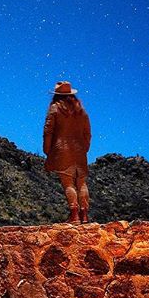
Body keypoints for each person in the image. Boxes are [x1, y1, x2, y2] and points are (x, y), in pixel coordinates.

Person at [43, 81, 92, 224]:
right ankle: (84, 215)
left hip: (62, 151)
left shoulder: (55, 109)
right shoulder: (81, 111)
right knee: (81, 182)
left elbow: (48, 131)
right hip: (79, 152)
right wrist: (85, 148)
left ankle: (74, 215)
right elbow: (88, 132)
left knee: (68, 182)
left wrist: (47, 150)